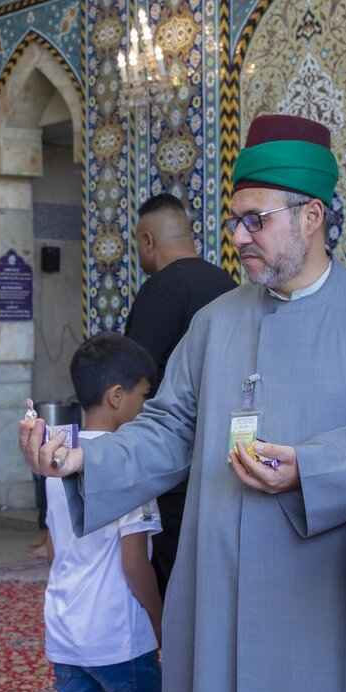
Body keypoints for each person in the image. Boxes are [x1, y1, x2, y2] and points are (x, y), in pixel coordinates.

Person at [22, 114, 346, 692]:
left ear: (311, 216)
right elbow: (167, 427)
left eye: (256, 221)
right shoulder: (216, 322)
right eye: (234, 220)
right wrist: (82, 460)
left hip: (334, 602)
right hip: (221, 590)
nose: (238, 237)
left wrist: (315, 467)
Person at [41, 332, 163, 692]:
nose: (146, 407)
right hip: (117, 637)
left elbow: (53, 548)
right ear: (117, 396)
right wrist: (161, 625)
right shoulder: (127, 464)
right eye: (144, 395)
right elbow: (135, 565)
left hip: (67, 633)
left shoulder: (57, 457)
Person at [124, 192, 236, 595]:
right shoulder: (229, 286)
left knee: (174, 576)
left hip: (175, 469)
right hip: (229, 460)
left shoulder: (160, 291)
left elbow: (133, 380)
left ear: (147, 241)